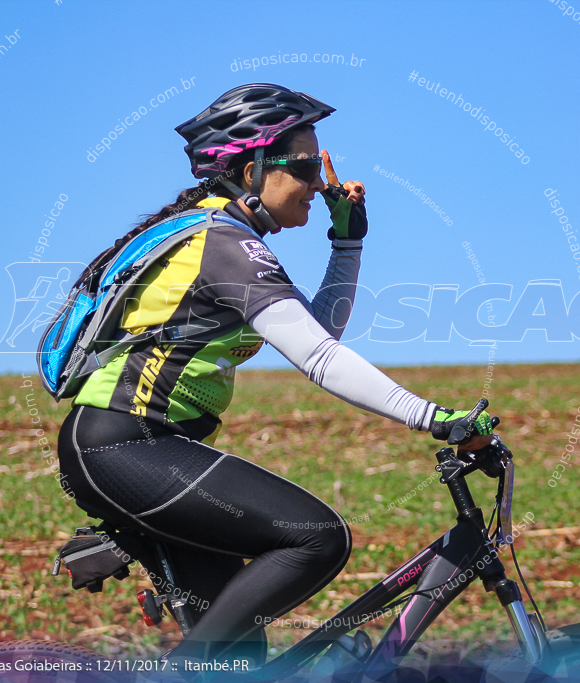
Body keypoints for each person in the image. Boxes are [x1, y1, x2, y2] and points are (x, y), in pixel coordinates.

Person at [55, 83, 494, 670]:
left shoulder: (218, 235)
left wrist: (347, 239)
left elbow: (315, 335)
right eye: (307, 165)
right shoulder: (221, 242)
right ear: (252, 167)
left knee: (237, 661)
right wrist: (435, 418)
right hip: (125, 446)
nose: (318, 182)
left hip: (137, 448)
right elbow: (318, 359)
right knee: (317, 536)